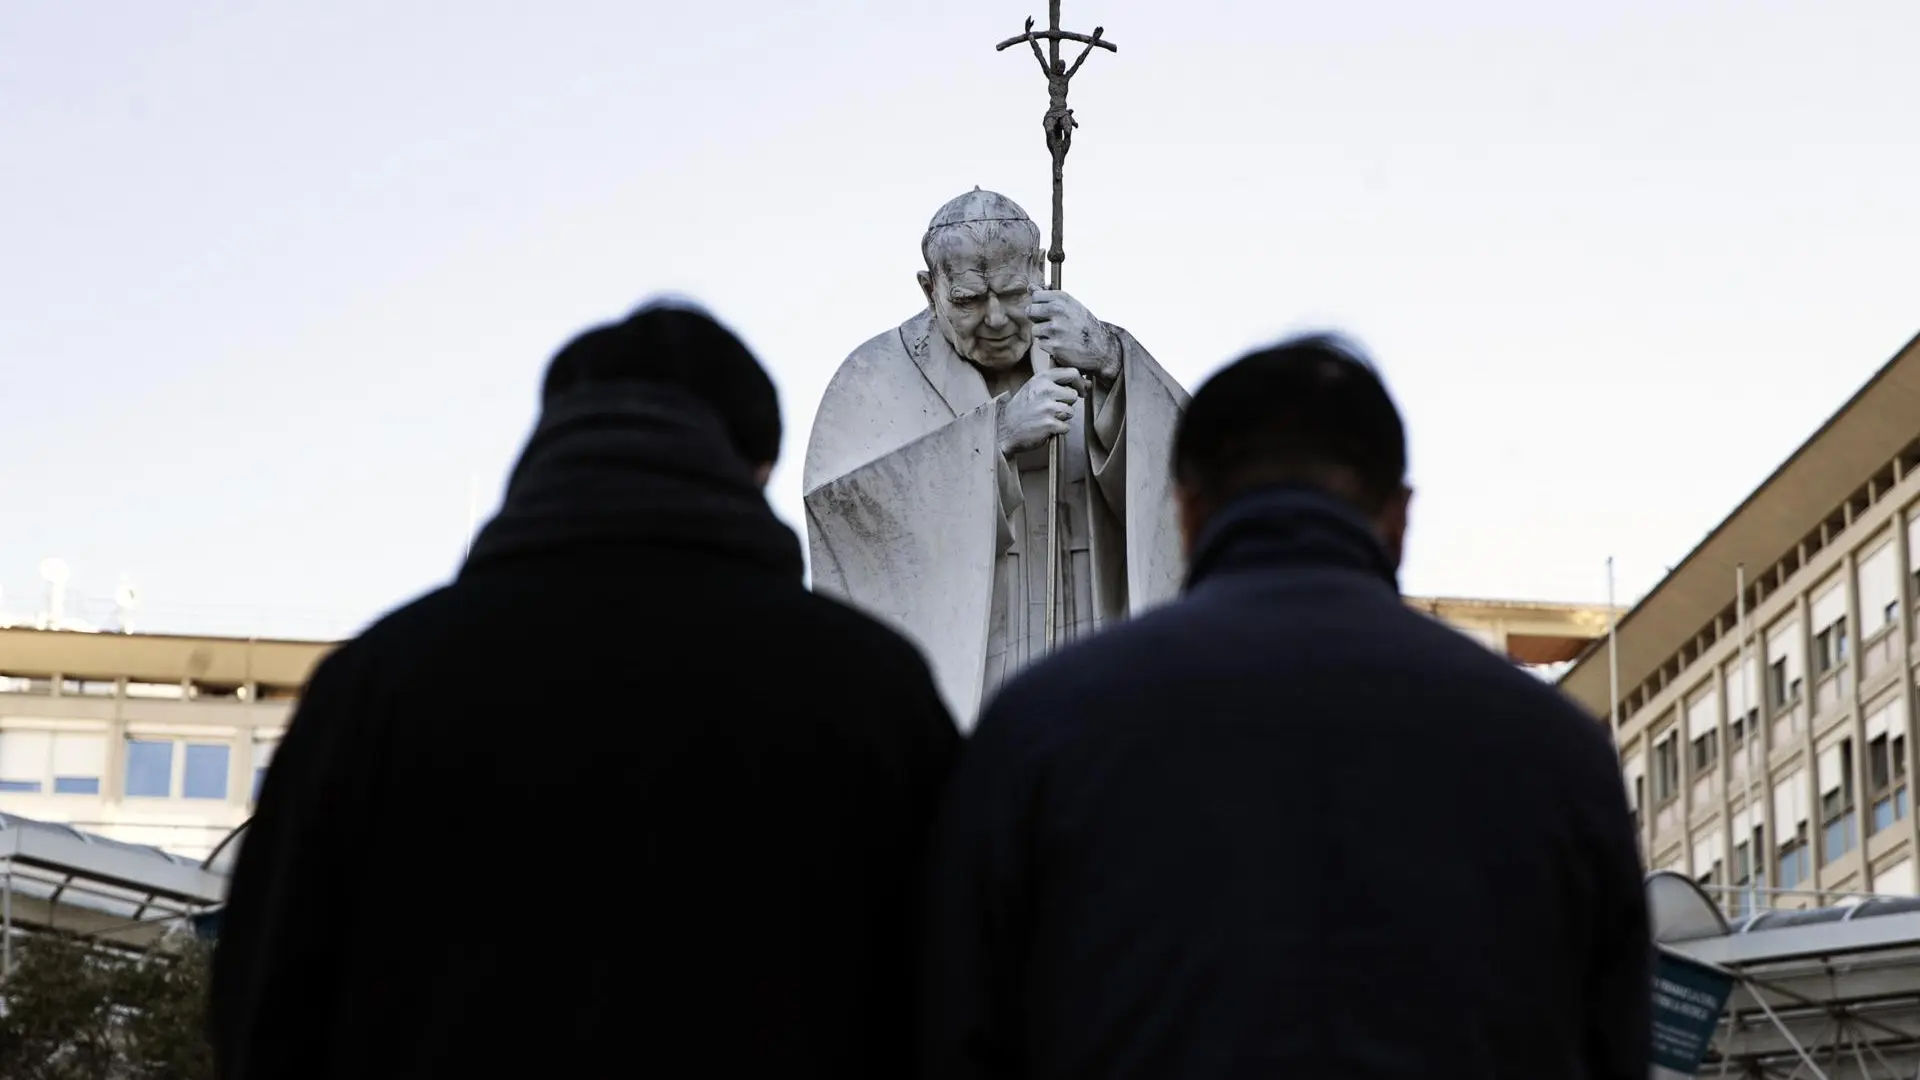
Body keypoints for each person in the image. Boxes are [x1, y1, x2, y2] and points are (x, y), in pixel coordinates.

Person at [210, 302, 960, 1079]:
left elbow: (265, 1006)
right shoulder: (870, 688)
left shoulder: (374, 684)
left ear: (547, 444)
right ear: (759, 467)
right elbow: (957, 998)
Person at [918, 335, 1650, 1080]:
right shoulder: (1555, 750)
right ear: (1398, 519)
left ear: (1188, 513)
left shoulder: (1043, 727)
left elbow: (964, 1035)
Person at [803, 189, 1189, 728]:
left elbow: (1195, 483)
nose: (996, 319)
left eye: (1013, 294)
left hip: (1094, 655)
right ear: (928, 288)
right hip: (969, 686)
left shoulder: (1091, 353)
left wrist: (1112, 363)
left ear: (1039, 273)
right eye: (966, 300)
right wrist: (995, 437)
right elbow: (846, 522)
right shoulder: (873, 379)